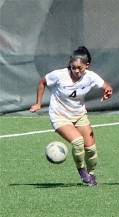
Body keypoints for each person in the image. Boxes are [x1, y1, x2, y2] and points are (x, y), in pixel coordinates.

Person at [29, 46, 113, 186]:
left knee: (91, 149)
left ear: (87, 66)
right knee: (78, 142)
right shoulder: (59, 75)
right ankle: (82, 171)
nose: (76, 71)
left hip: (79, 115)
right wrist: (38, 103)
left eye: (80, 68)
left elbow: (107, 86)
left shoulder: (91, 76)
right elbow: (42, 82)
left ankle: (91, 174)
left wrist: (107, 92)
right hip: (59, 115)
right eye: (73, 67)